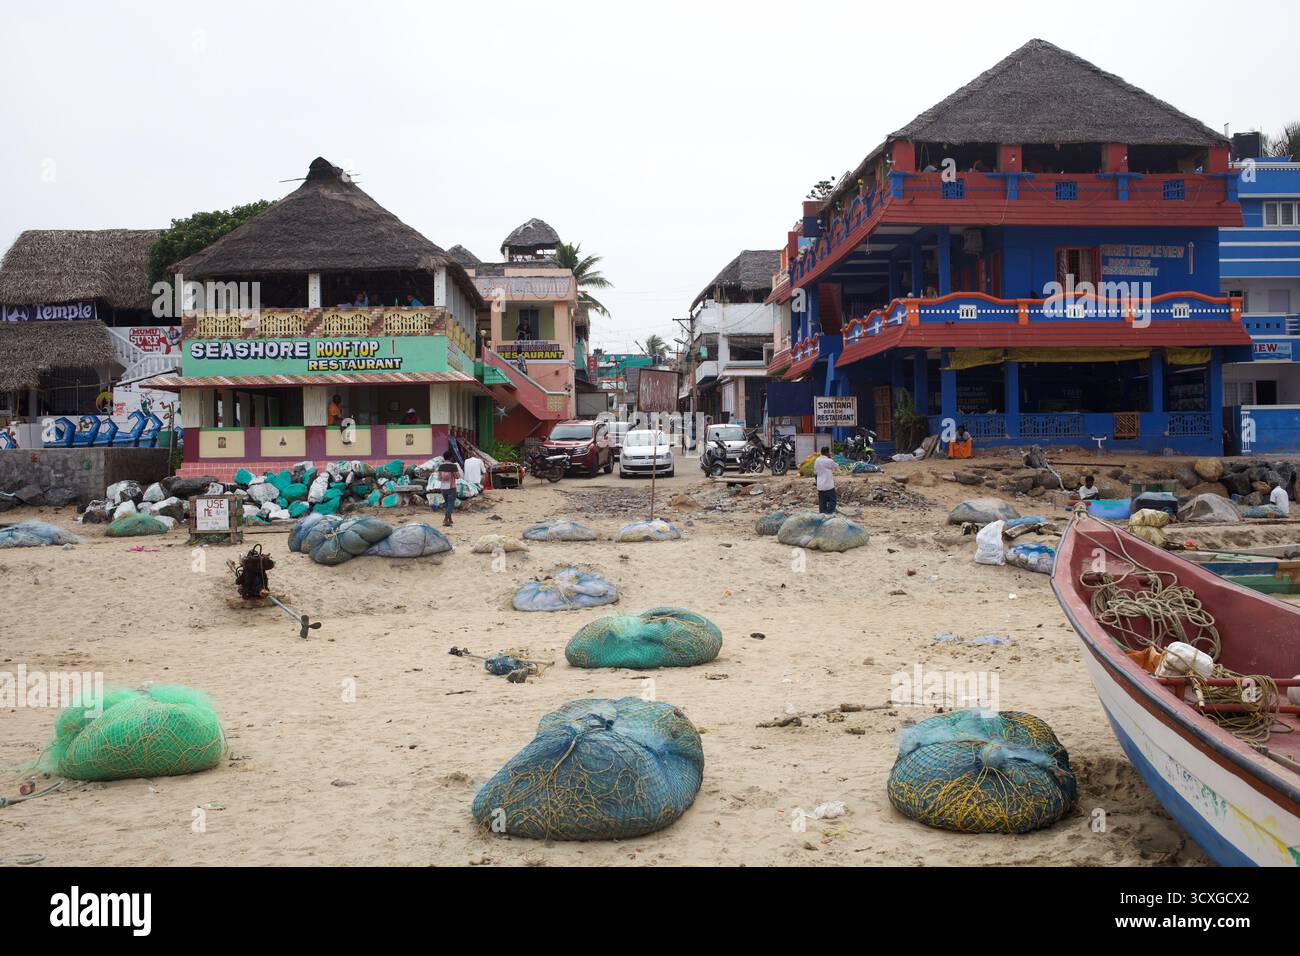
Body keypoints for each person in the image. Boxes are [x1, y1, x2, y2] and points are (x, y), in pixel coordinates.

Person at [433, 457, 462, 527]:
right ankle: (446, 518)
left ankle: (450, 519)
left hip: (443, 488)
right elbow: (457, 476)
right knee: (451, 504)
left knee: (447, 503)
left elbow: (439, 478)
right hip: (452, 487)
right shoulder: (453, 466)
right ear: (451, 458)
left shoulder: (441, 466)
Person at [813, 446, 837, 515]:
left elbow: (815, 474)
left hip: (820, 485)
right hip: (828, 485)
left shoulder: (817, 460)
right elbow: (836, 466)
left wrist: (817, 483)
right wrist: (830, 457)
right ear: (827, 452)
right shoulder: (829, 461)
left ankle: (822, 515)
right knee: (833, 500)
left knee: (822, 502)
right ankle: (828, 514)